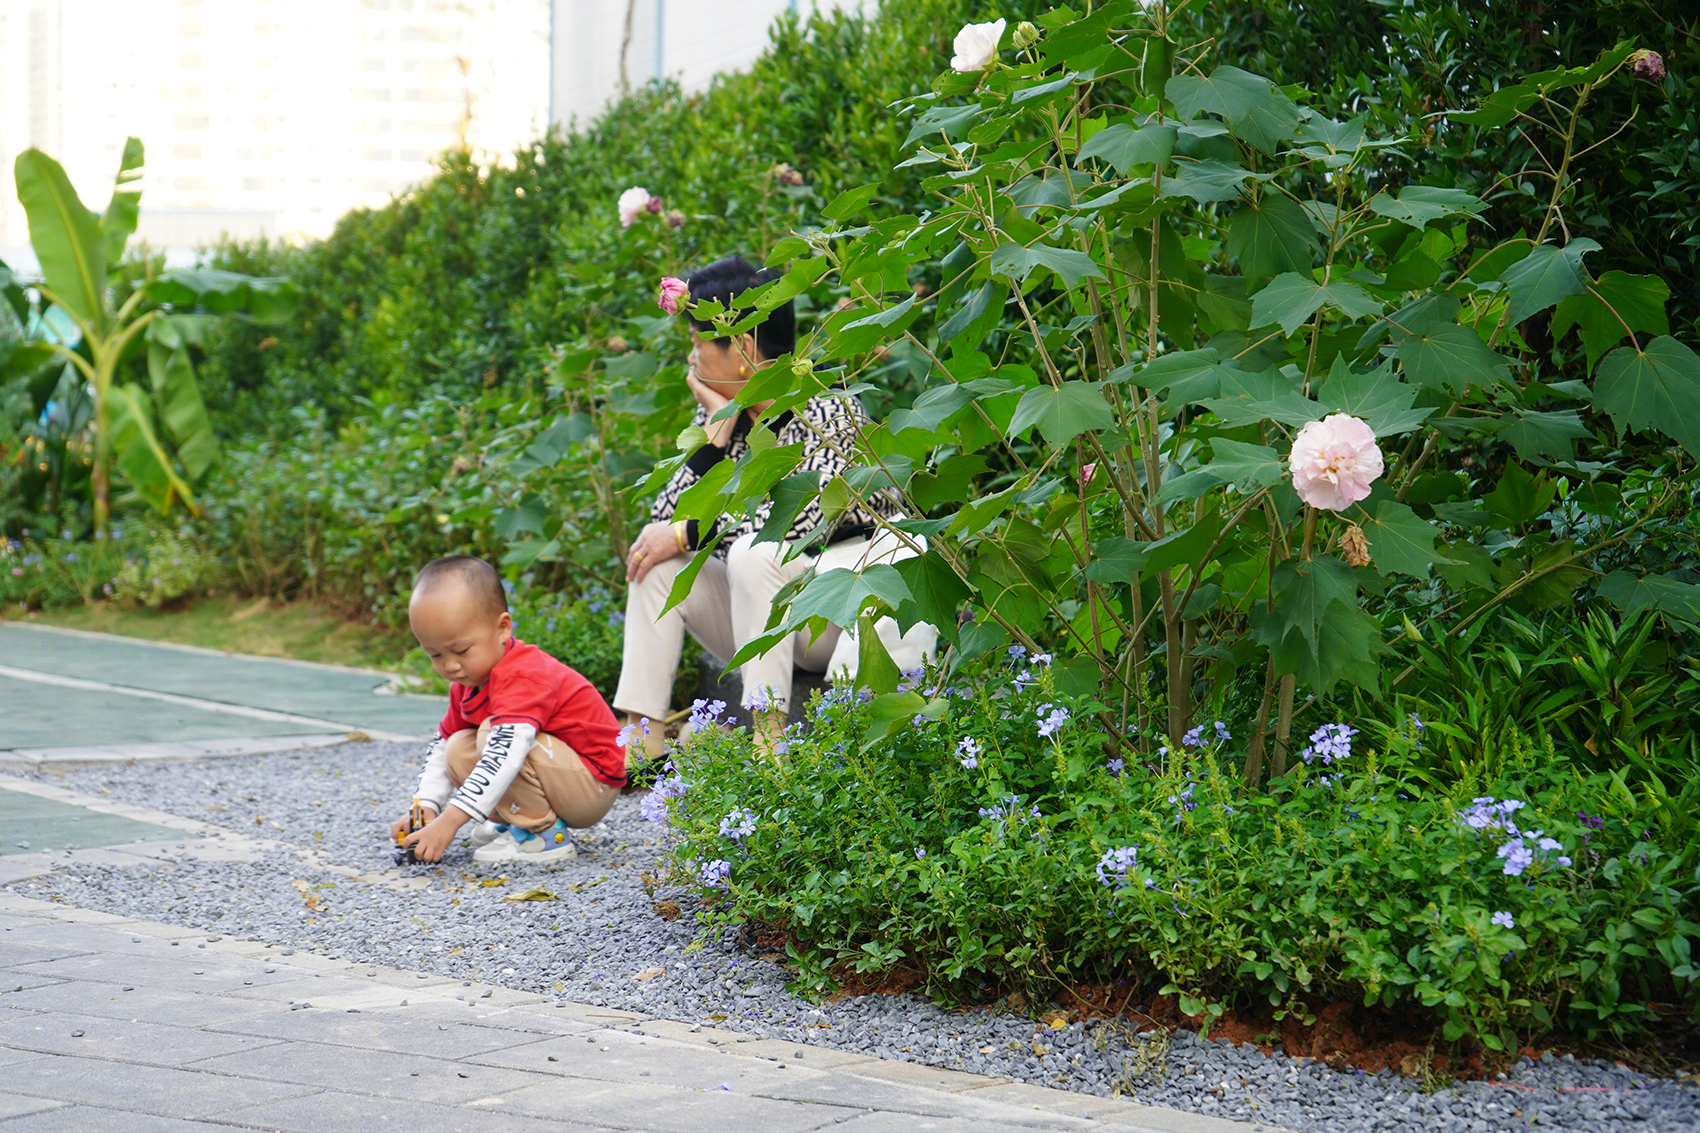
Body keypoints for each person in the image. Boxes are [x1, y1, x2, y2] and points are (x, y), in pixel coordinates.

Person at [612, 255, 936, 758]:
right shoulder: (723, 424)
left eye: (698, 346)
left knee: (752, 553)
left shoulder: (832, 408)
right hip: (763, 621)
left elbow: (801, 522)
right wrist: (711, 443)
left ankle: (769, 743)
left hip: (838, 618)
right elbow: (661, 530)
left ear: (741, 347)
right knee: (657, 568)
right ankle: (641, 746)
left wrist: (684, 534)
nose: (691, 362)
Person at [391, 555, 627, 864]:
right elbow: (441, 746)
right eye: (435, 655)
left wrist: (449, 824)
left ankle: (543, 836)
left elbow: (505, 755)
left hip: (593, 783)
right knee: (457, 746)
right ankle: (515, 819)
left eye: (461, 650)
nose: (450, 665)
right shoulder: (468, 681)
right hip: (560, 773)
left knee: (493, 735)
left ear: (503, 628)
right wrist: (424, 809)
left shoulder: (522, 675)